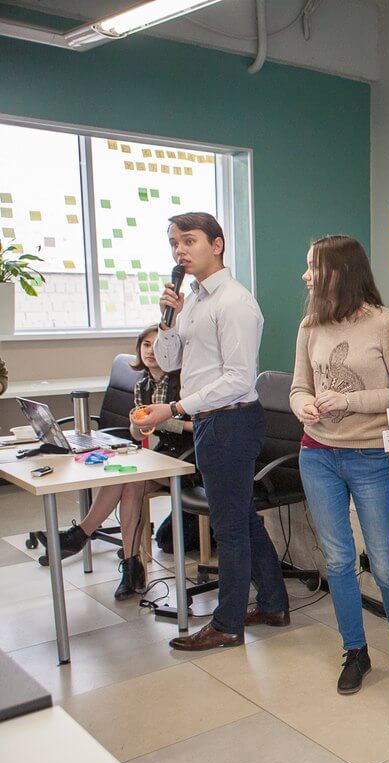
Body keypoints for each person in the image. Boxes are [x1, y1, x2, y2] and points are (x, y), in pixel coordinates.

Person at [143, 211, 291, 651]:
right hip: (210, 421)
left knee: (229, 527)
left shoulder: (234, 302)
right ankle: (274, 603)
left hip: (232, 421)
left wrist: (174, 408)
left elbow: (238, 379)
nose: (180, 251)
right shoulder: (194, 300)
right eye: (174, 243)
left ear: (217, 244)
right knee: (240, 517)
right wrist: (168, 321)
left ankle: (227, 624)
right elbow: (170, 360)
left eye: (189, 241)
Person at [290, 235, 389, 695]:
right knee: (339, 561)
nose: (306, 276)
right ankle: (355, 650)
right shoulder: (310, 325)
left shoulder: (385, 323)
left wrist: (348, 401)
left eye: (313, 267)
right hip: (317, 455)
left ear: (341, 271)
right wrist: (304, 406)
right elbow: (298, 387)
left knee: (385, 564)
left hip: (371, 456)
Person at [38, 324, 193, 600]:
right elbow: (140, 435)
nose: (151, 352)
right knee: (130, 482)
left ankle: (79, 536)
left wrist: (165, 421)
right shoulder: (143, 384)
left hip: (189, 458)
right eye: (146, 345)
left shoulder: (184, 382)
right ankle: (132, 569)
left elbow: (200, 426)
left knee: (132, 478)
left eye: (158, 345)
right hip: (160, 457)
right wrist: (137, 424)